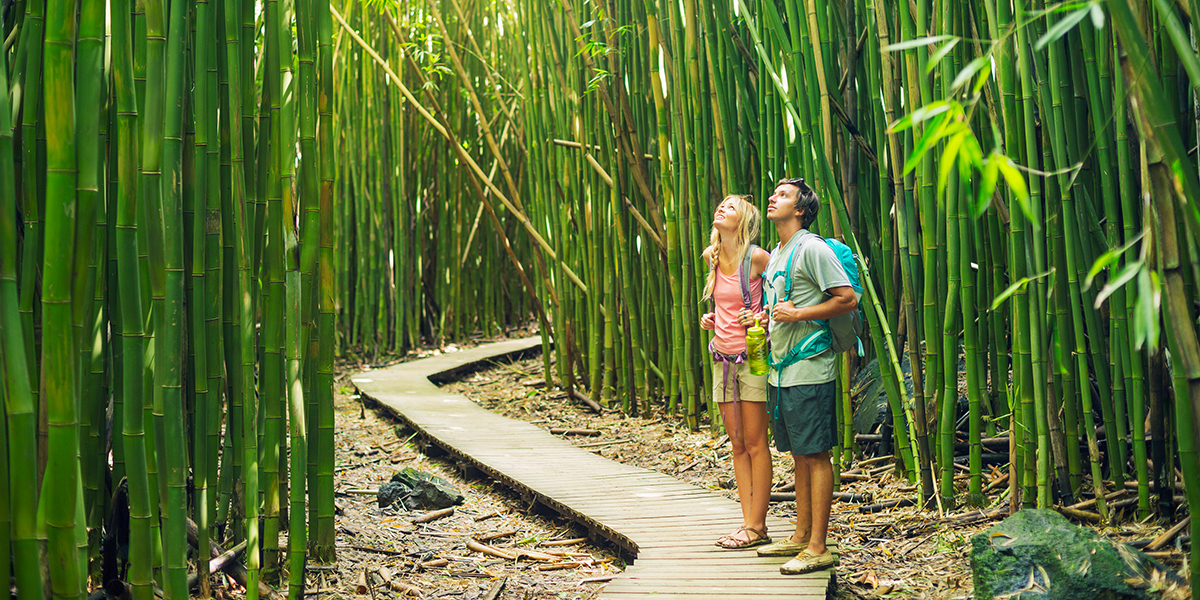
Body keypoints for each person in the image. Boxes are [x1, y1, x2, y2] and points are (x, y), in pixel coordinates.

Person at [755, 178, 857, 574]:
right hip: (783, 370)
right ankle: (800, 536)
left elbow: (845, 297)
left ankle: (819, 546)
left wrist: (797, 315)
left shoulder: (811, 248)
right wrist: (763, 318)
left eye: (782, 195)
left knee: (815, 455)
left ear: (800, 210)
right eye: (774, 193)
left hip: (810, 368)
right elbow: (782, 303)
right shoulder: (779, 252)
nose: (772, 198)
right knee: (799, 455)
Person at [698, 194, 773, 550]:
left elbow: (785, 295)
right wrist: (709, 319)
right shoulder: (712, 257)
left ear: (741, 221)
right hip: (721, 359)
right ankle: (747, 523)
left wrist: (762, 316)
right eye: (720, 205)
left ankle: (757, 526)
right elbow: (722, 306)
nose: (721, 209)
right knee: (738, 443)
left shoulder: (756, 257)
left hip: (754, 356)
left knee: (757, 443)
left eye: (730, 207)